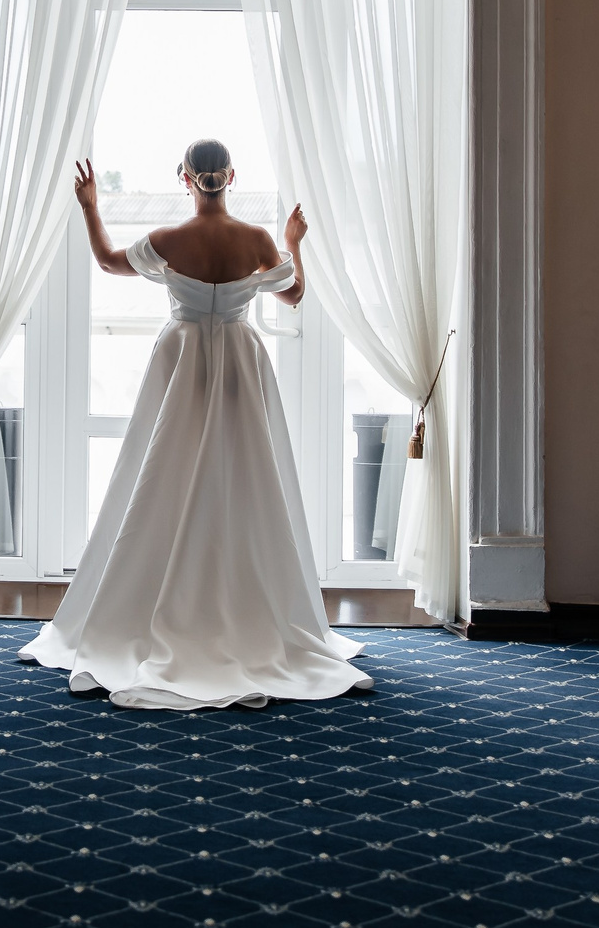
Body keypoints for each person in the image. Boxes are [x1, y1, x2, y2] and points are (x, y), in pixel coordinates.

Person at [18, 139, 372, 709]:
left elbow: (108, 261)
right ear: (231, 175)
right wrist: (292, 243)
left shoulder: (167, 241)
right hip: (238, 362)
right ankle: (242, 604)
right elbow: (295, 294)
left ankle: (155, 600)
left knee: (164, 476)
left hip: (181, 361)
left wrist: (90, 206)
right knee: (243, 481)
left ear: (185, 177)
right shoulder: (255, 239)